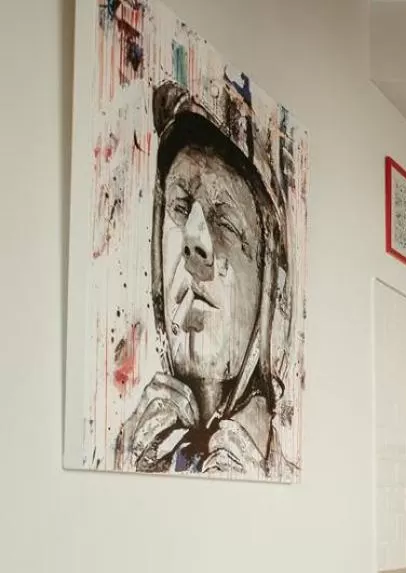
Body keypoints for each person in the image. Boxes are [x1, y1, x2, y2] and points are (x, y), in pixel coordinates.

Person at [116, 82, 290, 476]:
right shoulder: (132, 451)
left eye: (225, 220)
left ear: (267, 286)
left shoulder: (270, 468)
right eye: (180, 206)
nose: (195, 243)